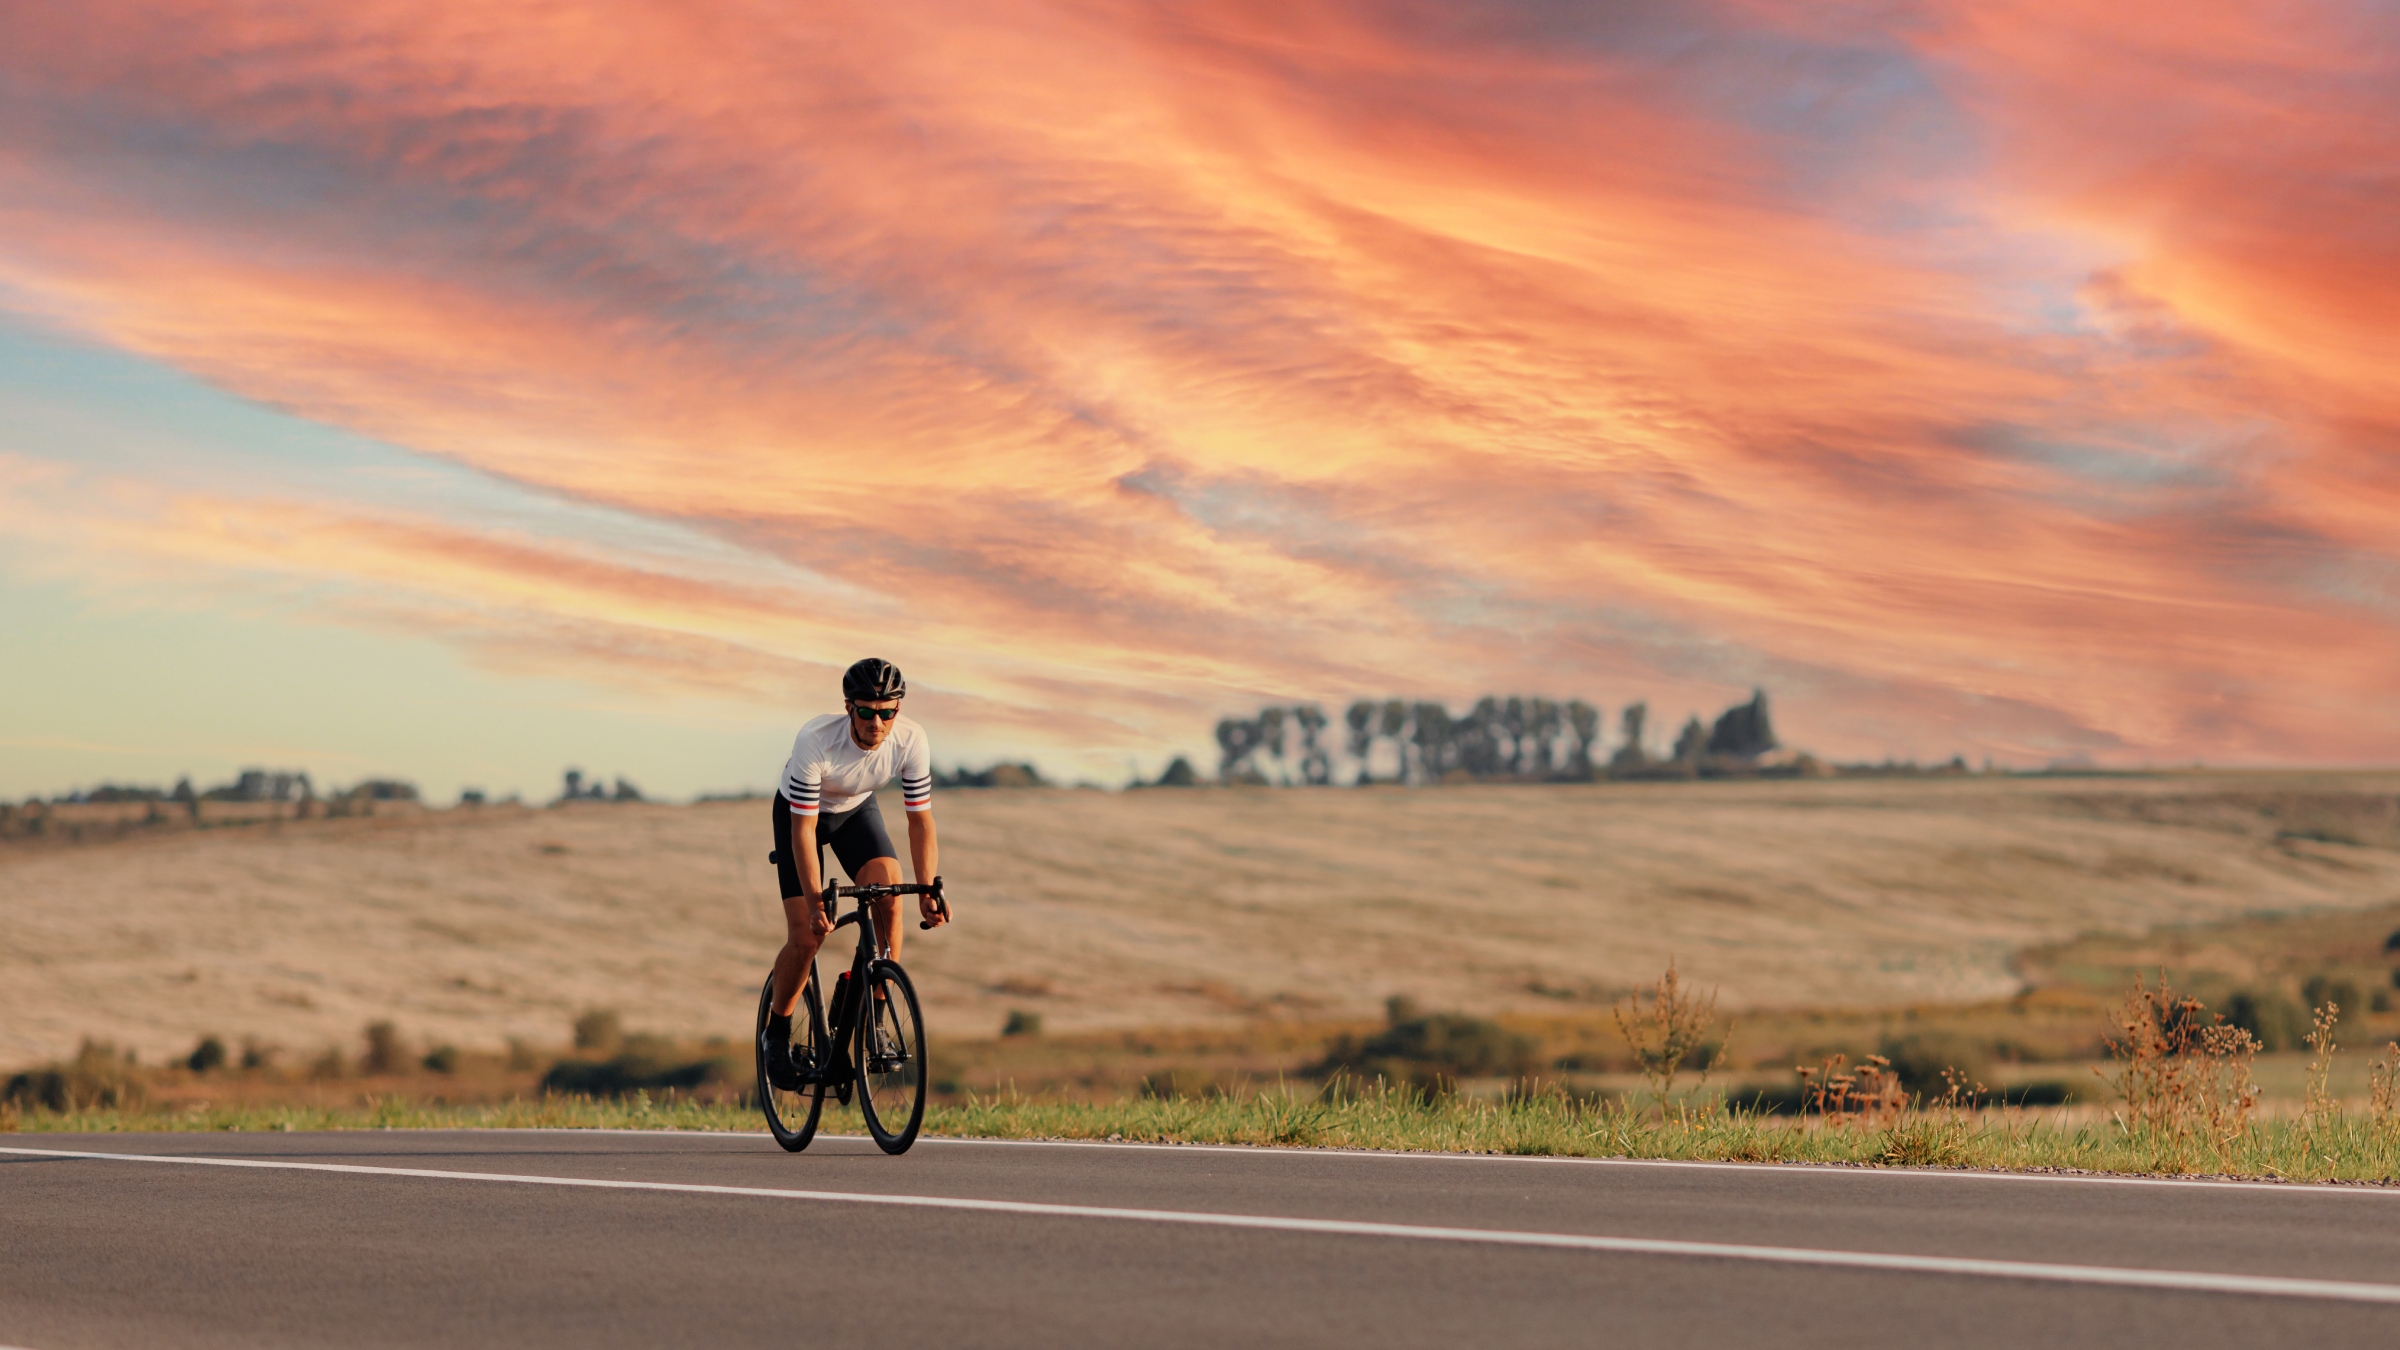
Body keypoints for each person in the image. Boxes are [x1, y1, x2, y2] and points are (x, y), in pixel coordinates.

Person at [762, 657, 944, 1086]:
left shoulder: (912, 739)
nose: (876, 722)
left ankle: (873, 1018)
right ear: (849, 708)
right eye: (866, 711)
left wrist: (927, 889)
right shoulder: (816, 739)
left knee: (890, 899)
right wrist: (812, 903)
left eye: (887, 712)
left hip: (856, 811)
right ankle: (777, 1031)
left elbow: (920, 821)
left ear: (897, 710)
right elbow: (804, 831)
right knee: (808, 936)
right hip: (801, 817)